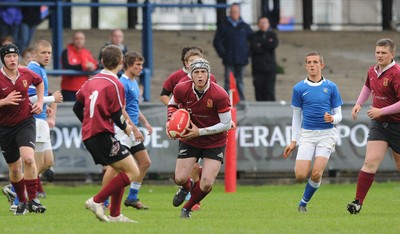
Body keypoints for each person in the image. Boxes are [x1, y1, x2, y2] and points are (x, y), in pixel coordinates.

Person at [73, 44, 142, 223]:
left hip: (90, 134)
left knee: (121, 169)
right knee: (133, 171)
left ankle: (115, 214)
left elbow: (76, 106)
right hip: (101, 134)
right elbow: (117, 114)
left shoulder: (90, 81)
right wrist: (127, 127)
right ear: (120, 62)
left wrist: (89, 122)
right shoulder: (115, 83)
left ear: (101, 61)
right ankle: (96, 201)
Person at [166, 58, 232, 218]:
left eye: (203, 72)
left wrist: (200, 131)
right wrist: (170, 123)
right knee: (180, 178)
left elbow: (227, 124)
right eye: (196, 72)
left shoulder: (219, 94)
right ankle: (186, 187)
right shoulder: (181, 89)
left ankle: (187, 209)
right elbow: (172, 105)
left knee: (207, 182)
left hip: (214, 141)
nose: (200, 76)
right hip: (190, 139)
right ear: (191, 75)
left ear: (209, 74)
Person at [3, 40, 63, 211]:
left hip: (39, 119)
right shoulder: (32, 69)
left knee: (46, 162)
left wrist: (46, 105)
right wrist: (51, 100)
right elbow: (26, 99)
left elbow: (39, 94)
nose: (47, 56)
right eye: (43, 53)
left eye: (49, 53)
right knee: (30, 162)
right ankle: (18, 196)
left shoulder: (39, 71)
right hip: (32, 120)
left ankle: (16, 189)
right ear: (35, 54)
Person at [283, 51, 343, 213]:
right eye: (309, 62)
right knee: (300, 175)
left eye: (315, 62)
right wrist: (294, 141)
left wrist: (332, 119)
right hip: (307, 134)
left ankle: (303, 203)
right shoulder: (299, 88)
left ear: (321, 65)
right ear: (305, 66)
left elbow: (339, 115)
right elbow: (296, 116)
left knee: (316, 173)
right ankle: (311, 184)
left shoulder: (331, 87)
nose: (312, 65)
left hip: (326, 134)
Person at [346, 38, 400, 215]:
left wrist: (381, 111)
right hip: (379, 125)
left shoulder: (397, 73)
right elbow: (367, 87)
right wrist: (359, 104)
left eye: (383, 53)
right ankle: (357, 202)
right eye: (377, 52)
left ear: (392, 54)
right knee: (370, 162)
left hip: (397, 125)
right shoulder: (372, 70)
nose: (379, 55)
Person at [0, 43, 46, 215]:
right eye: (8, 57)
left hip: (25, 122)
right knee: (15, 168)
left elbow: (39, 82)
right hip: (4, 128)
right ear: (2, 59)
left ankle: (33, 200)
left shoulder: (26, 72)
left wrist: (40, 103)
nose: (12, 59)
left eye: (14, 56)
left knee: (28, 159)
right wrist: (4, 101)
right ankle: (22, 201)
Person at [102, 51, 152, 210]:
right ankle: (103, 200)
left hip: (132, 129)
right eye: (137, 65)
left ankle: (132, 197)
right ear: (128, 65)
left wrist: (145, 122)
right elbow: (121, 109)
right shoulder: (121, 83)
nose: (141, 68)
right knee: (114, 167)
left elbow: (134, 107)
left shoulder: (134, 82)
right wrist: (134, 129)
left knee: (145, 162)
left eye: (141, 65)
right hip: (122, 129)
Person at [213, 2, 252, 101]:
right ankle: (226, 101)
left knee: (240, 81)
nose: (234, 14)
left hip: (242, 60)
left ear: (239, 13)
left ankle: (241, 101)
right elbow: (216, 42)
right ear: (229, 13)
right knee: (228, 82)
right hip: (229, 60)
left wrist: (247, 54)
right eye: (232, 12)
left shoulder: (245, 27)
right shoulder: (224, 26)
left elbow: (252, 42)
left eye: (236, 12)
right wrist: (223, 54)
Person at [248, 16, 279, 101]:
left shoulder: (272, 35)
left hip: (270, 69)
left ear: (268, 24)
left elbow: (273, 45)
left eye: (265, 23)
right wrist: (266, 44)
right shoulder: (254, 36)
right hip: (258, 68)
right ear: (258, 24)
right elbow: (255, 48)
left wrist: (261, 44)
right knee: (259, 91)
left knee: (270, 91)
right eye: (261, 23)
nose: (263, 25)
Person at [61, 31, 97, 101]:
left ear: (84, 40)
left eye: (81, 39)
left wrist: (93, 67)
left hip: (84, 89)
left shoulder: (87, 52)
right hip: (69, 90)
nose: (79, 41)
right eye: (77, 38)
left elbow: (95, 64)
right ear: (73, 40)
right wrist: (84, 66)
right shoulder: (66, 52)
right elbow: (67, 66)